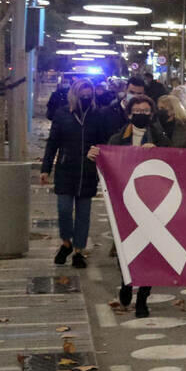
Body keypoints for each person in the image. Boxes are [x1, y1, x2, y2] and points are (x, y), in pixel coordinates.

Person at [101, 95, 171, 318]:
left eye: (145, 110)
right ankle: (126, 282)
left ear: (151, 114)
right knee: (127, 247)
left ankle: (143, 298)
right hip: (126, 204)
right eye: (136, 111)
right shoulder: (117, 139)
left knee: (150, 251)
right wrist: (96, 156)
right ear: (129, 114)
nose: (141, 114)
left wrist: (158, 151)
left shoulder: (160, 137)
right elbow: (108, 163)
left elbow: (176, 161)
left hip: (155, 203)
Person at [40, 79, 109, 269]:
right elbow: (52, 143)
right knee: (63, 209)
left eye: (89, 95)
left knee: (83, 214)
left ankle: (78, 250)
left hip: (87, 171)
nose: (86, 98)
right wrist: (46, 168)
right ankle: (66, 242)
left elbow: (104, 142)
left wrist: (97, 153)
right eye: (82, 95)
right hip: (66, 168)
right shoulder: (62, 114)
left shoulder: (97, 115)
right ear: (74, 94)